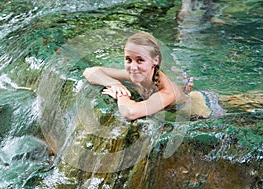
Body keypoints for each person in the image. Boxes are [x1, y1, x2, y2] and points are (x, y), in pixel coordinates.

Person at [83, 31, 224, 121]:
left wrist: (121, 94)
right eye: (128, 59)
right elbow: (90, 71)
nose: (133, 67)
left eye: (140, 60)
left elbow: (130, 113)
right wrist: (114, 84)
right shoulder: (136, 74)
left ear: (154, 61)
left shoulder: (166, 92)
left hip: (202, 107)